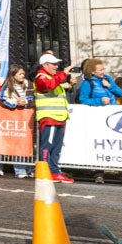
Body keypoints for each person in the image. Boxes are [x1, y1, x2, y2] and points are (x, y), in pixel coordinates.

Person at [34, 52, 74, 183]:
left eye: (57, 64)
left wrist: (68, 83)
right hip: (49, 118)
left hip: (60, 118)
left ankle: (55, 171)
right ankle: (46, 171)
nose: (56, 66)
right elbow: (49, 85)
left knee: (56, 148)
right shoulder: (41, 77)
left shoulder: (53, 77)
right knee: (47, 146)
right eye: (54, 64)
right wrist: (63, 74)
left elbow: (55, 85)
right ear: (45, 65)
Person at [1, 64, 34, 177]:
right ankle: (20, 170)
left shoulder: (29, 84)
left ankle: (30, 169)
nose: (22, 76)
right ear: (13, 75)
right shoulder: (7, 85)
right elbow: (2, 99)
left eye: (23, 73)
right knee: (17, 143)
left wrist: (25, 101)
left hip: (28, 118)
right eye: (20, 74)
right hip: (14, 118)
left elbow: (33, 98)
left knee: (29, 144)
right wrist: (15, 103)